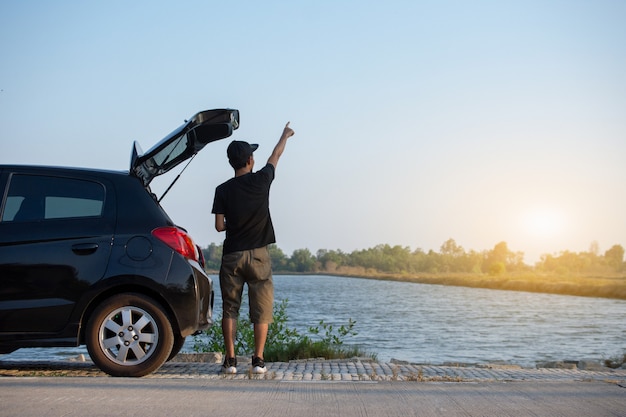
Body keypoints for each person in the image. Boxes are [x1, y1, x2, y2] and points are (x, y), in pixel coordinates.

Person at [212, 122, 295, 374]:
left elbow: (218, 226)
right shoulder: (262, 180)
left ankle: (230, 360)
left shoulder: (222, 190)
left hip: (232, 255)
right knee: (261, 307)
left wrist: (234, 220)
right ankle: (258, 360)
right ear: (250, 160)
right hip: (259, 255)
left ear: (231, 162)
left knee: (230, 308)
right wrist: (285, 135)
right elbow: (276, 154)